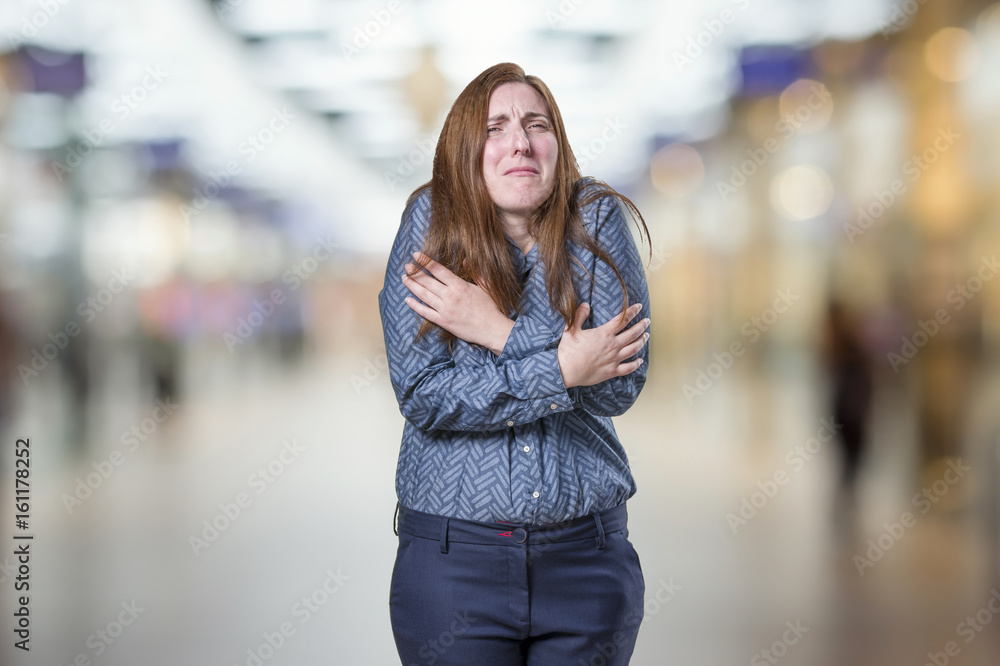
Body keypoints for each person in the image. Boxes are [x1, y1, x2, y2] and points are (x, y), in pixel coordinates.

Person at [377, 62, 652, 665]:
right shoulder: (429, 223)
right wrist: (560, 369)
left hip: (586, 564)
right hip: (453, 570)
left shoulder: (596, 218)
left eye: (536, 123)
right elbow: (425, 394)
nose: (520, 141)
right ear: (467, 149)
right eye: (495, 128)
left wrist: (497, 331)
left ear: (558, 143)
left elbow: (619, 383)